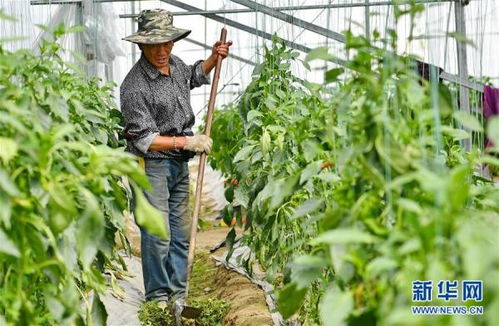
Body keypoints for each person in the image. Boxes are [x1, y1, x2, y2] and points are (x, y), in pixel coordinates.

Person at [120, 8, 232, 305]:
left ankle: (178, 295)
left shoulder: (175, 65)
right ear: (142, 45)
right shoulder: (134, 86)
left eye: (167, 43)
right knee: (158, 235)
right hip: (151, 166)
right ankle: (158, 296)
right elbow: (144, 139)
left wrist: (213, 58)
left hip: (178, 164)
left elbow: (194, 76)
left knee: (181, 233)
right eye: (155, 45)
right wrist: (187, 141)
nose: (162, 50)